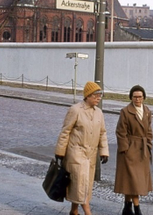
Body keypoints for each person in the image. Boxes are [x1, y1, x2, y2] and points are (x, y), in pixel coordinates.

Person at [55, 81, 109, 215]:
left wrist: (104, 151)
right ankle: (88, 212)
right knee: (81, 184)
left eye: (100, 96)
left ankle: (74, 211)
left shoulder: (99, 113)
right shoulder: (75, 110)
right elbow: (65, 131)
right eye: (96, 95)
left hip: (91, 155)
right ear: (88, 96)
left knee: (83, 185)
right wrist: (60, 152)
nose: (98, 98)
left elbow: (102, 133)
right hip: (76, 152)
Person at [114, 85, 153, 215]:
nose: (137, 99)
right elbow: (120, 132)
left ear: (144, 97)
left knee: (131, 180)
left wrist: (148, 145)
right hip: (130, 149)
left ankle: (127, 207)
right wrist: (125, 149)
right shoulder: (125, 111)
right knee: (133, 180)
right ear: (131, 97)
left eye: (140, 97)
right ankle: (137, 209)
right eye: (135, 97)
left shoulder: (147, 111)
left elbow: (149, 131)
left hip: (142, 151)